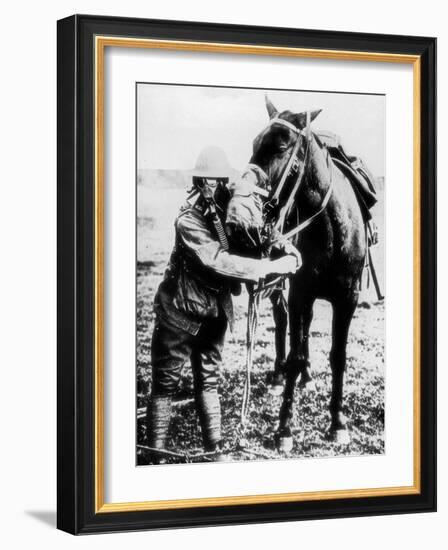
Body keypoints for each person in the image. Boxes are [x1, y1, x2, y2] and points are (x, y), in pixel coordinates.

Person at [146, 146, 301, 462]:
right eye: (211, 182)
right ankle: (156, 453)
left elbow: (258, 234)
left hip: (214, 315)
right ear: (200, 184)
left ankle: (213, 448)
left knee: (209, 380)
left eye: (221, 181)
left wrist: (286, 248)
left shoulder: (228, 215)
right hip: (179, 314)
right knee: (166, 384)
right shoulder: (187, 222)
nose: (218, 188)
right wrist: (274, 267)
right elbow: (220, 261)